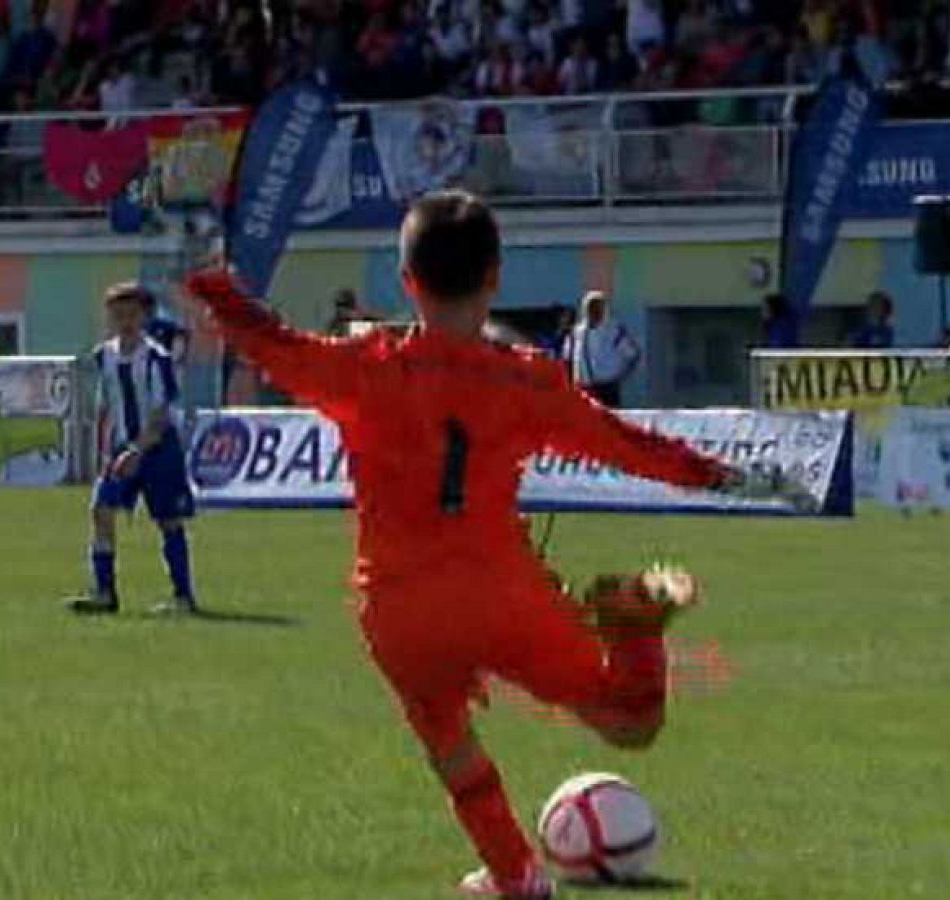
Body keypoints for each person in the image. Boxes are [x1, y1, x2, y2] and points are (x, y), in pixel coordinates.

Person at [185, 191, 800, 899]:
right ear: (495, 278)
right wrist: (718, 474)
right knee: (630, 722)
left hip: (399, 604)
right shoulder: (526, 379)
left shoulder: (366, 364)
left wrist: (210, 281)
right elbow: (624, 444)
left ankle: (516, 875)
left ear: (407, 281)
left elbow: (271, 343)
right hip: (501, 590)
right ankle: (632, 624)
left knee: (448, 743)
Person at [67, 283, 198, 616]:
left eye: (131, 315)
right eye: (118, 315)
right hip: (122, 449)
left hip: (158, 449)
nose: (125, 322)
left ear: (143, 317)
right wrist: (104, 452)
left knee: (168, 520)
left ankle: (183, 596)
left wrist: (138, 450)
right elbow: (106, 406)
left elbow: (161, 413)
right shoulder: (103, 356)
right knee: (101, 511)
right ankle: (104, 593)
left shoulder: (157, 358)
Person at [562, 291, 641, 407]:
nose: (595, 312)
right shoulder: (576, 333)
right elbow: (567, 359)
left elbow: (632, 354)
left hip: (608, 387)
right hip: (584, 387)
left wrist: (622, 375)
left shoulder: (613, 331)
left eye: (598, 308)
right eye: (591, 308)